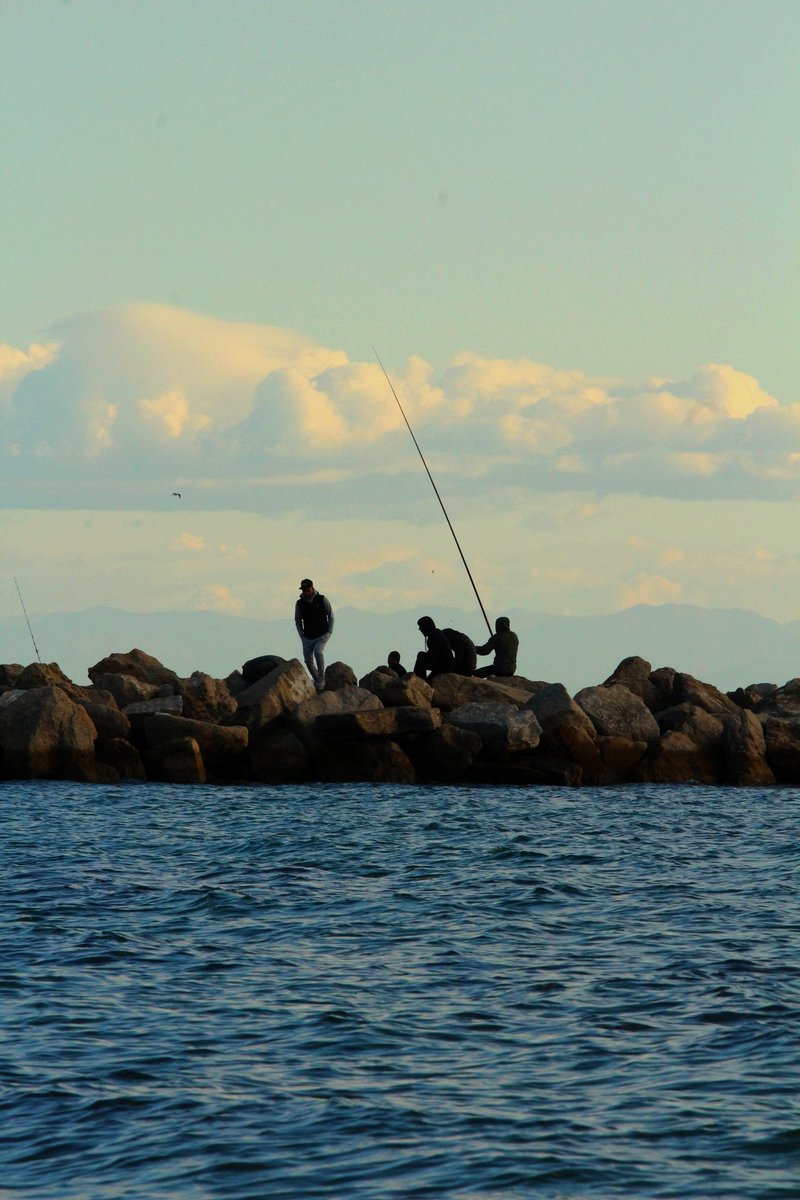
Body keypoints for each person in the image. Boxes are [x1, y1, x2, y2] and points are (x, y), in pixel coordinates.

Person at [295, 578, 334, 691]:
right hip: (307, 636)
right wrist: (301, 635)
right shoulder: (299, 604)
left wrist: (329, 631)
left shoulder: (322, 599)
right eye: (304, 590)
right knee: (308, 660)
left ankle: (321, 677)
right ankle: (317, 679)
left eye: (308, 590)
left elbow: (331, 616)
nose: (306, 592)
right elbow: (298, 620)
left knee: (318, 652)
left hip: (322, 634)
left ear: (312, 588)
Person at [413, 615, 455, 680]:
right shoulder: (436, 633)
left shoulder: (434, 636)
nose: (420, 629)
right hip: (446, 665)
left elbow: (433, 656)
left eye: (421, 627)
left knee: (421, 656)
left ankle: (418, 679)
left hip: (444, 666)